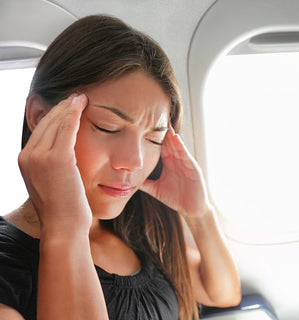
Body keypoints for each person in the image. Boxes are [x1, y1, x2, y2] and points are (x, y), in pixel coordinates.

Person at [0, 15, 241, 320]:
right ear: (40, 116)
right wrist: (63, 227)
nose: (135, 161)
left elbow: (223, 293)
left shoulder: (134, 232)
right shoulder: (8, 266)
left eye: (154, 138)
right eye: (108, 127)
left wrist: (199, 213)